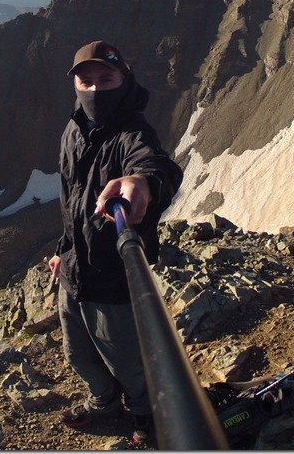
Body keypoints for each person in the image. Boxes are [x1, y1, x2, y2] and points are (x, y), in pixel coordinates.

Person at [48, 40, 184, 445]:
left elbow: (154, 165)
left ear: (124, 79)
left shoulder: (133, 132)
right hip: (75, 270)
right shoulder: (73, 130)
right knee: (78, 354)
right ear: (74, 84)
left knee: (125, 357)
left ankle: (145, 413)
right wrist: (62, 251)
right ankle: (104, 402)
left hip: (114, 276)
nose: (94, 89)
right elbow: (71, 199)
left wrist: (142, 181)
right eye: (85, 80)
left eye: (105, 79)